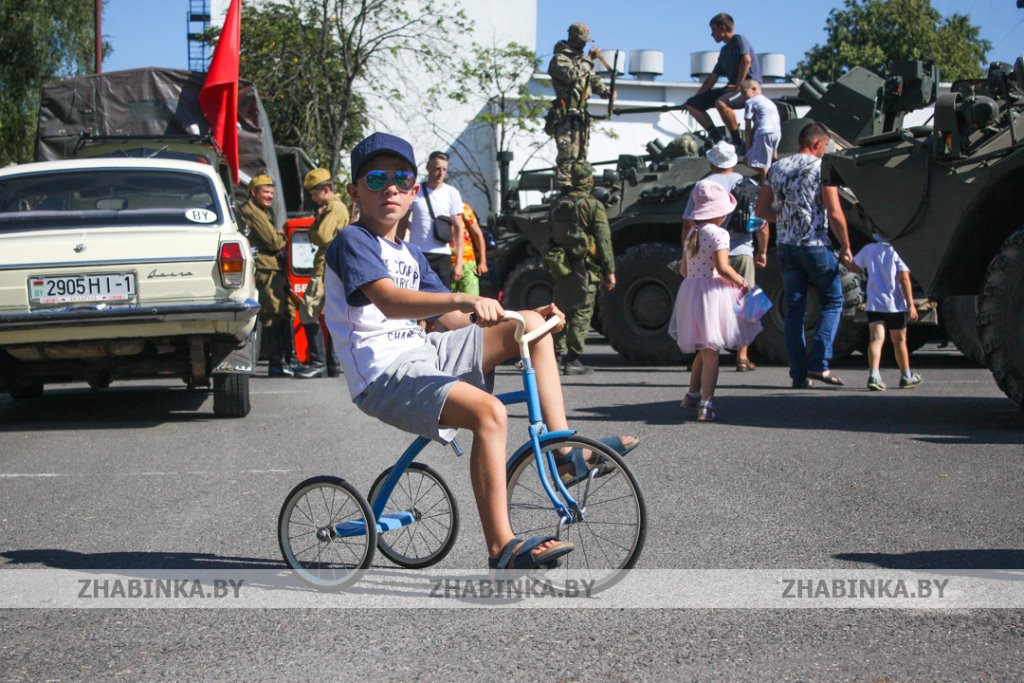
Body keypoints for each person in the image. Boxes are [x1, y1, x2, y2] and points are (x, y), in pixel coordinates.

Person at [323, 132, 638, 570]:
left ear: (414, 191)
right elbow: (392, 302)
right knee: (490, 413)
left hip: (425, 352)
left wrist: (515, 315)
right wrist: (462, 297)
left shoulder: (410, 254)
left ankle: (564, 452)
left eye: (401, 179)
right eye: (376, 179)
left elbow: (453, 322)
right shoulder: (354, 241)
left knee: (529, 326)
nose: (389, 188)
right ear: (355, 191)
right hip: (383, 374)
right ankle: (502, 546)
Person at [755, 122, 853, 388]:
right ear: (818, 143)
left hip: (786, 247)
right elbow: (834, 213)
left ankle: (798, 375)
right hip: (815, 245)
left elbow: (761, 210)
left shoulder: (776, 168)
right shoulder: (822, 168)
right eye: (826, 145)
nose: (827, 150)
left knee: (794, 311)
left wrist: (786, 219)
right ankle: (819, 364)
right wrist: (845, 246)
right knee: (833, 301)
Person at [670, 181, 761, 422]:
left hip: (691, 292)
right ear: (719, 213)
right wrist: (743, 282)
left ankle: (691, 395)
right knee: (711, 352)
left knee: (703, 347)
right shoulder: (719, 234)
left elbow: (683, 268)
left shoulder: (692, 233)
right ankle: (706, 403)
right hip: (711, 294)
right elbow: (723, 267)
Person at [681, 141, 764, 372]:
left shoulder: (703, 185)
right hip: (743, 250)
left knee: (708, 306)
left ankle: (704, 352)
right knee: (746, 303)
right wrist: (763, 250)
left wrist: (687, 252)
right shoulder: (747, 183)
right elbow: (761, 223)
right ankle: (743, 356)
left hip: (708, 253)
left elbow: (689, 222)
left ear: (711, 161)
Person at [542, 161, 616, 375]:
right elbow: (603, 240)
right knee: (582, 311)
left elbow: (549, 235)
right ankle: (573, 361)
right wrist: (610, 270)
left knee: (560, 309)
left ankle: (555, 357)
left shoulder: (558, 203)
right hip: (584, 266)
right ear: (590, 180)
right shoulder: (593, 205)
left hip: (560, 264)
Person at [844, 235, 923, 391]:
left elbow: (853, 268)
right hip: (895, 305)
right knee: (899, 341)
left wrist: (845, 258)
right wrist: (911, 305)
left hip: (874, 304)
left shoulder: (869, 249)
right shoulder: (897, 251)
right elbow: (904, 279)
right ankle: (906, 376)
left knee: (876, 339)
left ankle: (874, 375)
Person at [546, 22, 614, 190]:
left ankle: (580, 189)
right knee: (567, 156)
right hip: (566, 115)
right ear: (573, 38)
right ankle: (565, 192)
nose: (584, 44)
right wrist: (589, 60)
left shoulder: (581, 61)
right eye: (581, 40)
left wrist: (606, 92)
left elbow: (591, 80)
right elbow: (574, 75)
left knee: (581, 157)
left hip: (580, 116)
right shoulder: (559, 59)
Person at [295, 167, 349, 379]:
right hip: (327, 265)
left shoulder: (334, 208)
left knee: (308, 310)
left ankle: (320, 363)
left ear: (325, 189)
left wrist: (316, 227)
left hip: (326, 265)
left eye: (314, 192)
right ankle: (330, 363)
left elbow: (322, 237)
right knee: (328, 312)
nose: (312, 197)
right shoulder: (330, 208)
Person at [238, 173, 293, 377]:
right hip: (265, 268)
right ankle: (275, 363)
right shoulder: (252, 212)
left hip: (270, 266)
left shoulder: (260, 210)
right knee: (271, 314)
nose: (270, 196)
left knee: (280, 312)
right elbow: (274, 241)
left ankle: (283, 359)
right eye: (266, 192)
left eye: (272, 192)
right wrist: (280, 236)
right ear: (254, 192)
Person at [683, 13, 761, 150]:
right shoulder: (725, 51)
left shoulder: (739, 40)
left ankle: (737, 141)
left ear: (723, 29)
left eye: (713, 30)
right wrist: (695, 98)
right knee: (692, 105)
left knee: (721, 103)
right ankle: (717, 138)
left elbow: (746, 60)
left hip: (749, 87)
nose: (711, 34)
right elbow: (712, 78)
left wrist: (738, 86)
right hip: (733, 88)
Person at [398, 151, 465, 288]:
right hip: (418, 253)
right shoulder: (415, 191)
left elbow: (459, 227)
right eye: (437, 168)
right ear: (428, 167)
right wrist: (397, 249)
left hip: (442, 256)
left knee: (443, 301)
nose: (441, 173)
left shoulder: (452, 193)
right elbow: (402, 222)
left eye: (444, 169)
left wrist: (459, 263)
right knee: (415, 298)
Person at [740, 78, 781, 183]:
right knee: (767, 161)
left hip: (764, 133)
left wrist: (748, 148)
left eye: (744, 93)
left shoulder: (750, 102)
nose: (743, 97)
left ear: (753, 89)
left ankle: (765, 188)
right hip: (776, 132)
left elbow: (747, 128)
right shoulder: (769, 102)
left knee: (761, 165)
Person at [450, 202, 488, 296]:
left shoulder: (462, 208)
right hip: (444, 263)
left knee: (471, 300)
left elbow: (477, 234)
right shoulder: (435, 208)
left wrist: (483, 262)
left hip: (467, 263)